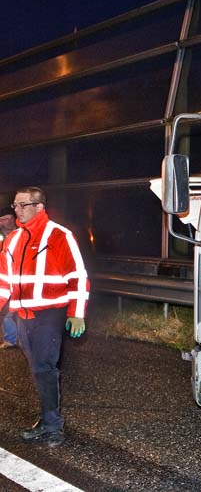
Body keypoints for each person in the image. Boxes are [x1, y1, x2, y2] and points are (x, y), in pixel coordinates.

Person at [0, 187, 90, 447]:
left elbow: (78, 277)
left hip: (49, 314)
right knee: (36, 368)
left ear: (39, 207)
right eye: (14, 206)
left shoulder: (59, 235)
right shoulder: (13, 239)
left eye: (22, 205)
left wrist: (77, 313)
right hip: (22, 315)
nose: (16, 210)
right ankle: (46, 420)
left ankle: (53, 426)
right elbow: (4, 281)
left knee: (44, 368)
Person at [0, 205, 17, 348]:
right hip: (3, 278)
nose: (9, 221)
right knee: (7, 310)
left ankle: (12, 339)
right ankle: (11, 339)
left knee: (11, 310)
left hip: (17, 277)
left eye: (11, 218)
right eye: (5, 219)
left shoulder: (20, 233)